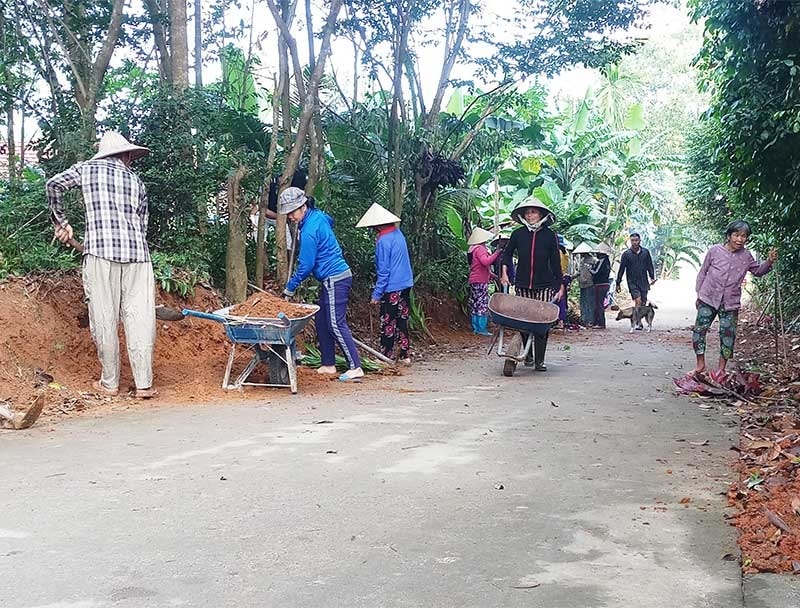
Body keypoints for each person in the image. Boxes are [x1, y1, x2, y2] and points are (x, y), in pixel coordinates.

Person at [46, 131, 158, 398]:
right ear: (127, 155)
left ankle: (110, 383)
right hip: (139, 257)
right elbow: (142, 224)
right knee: (140, 318)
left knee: (104, 317)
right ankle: (144, 384)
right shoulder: (136, 180)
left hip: (100, 254)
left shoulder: (87, 169)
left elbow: (54, 185)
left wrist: (61, 223)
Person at [280, 187, 364, 381]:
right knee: (322, 321)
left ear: (303, 207)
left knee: (335, 323)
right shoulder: (318, 216)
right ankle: (328, 364)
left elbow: (306, 265)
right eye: (289, 213)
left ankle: (355, 366)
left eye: (293, 212)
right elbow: (330, 221)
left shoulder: (309, 230)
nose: (291, 217)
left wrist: (290, 287)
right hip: (329, 279)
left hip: (336, 277)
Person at [691, 220, 778, 375]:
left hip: (730, 302)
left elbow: (758, 271)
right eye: (736, 235)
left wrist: (769, 261)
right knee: (699, 331)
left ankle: (721, 370)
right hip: (708, 297)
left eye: (743, 236)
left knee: (728, 335)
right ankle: (700, 364)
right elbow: (703, 272)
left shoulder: (746, 256)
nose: (740, 239)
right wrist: (699, 294)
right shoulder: (715, 251)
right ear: (729, 235)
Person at [500, 199, 564, 371]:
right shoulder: (518, 234)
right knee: (524, 321)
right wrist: (504, 273)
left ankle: (539, 361)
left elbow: (556, 262)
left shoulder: (550, 236)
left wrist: (561, 285)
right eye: (527, 213)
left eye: (534, 212)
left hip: (544, 285)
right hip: (522, 285)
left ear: (541, 215)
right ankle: (528, 355)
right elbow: (507, 255)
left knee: (542, 323)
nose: (530, 215)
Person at [356, 203, 414, 364]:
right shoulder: (398, 234)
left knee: (388, 321)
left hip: (392, 287)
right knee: (402, 319)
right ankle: (405, 355)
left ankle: (386, 356)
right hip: (406, 283)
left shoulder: (383, 241)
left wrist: (376, 294)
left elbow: (384, 271)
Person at [467, 227, 502, 336]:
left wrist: (491, 275)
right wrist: (496, 253)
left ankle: (476, 327)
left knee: (476, 303)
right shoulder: (481, 248)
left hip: (474, 279)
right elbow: (485, 262)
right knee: (482, 303)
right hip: (481, 280)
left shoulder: (472, 249)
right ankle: (482, 328)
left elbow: (478, 266)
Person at [616, 232, 657, 322]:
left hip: (644, 281)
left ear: (640, 241)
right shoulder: (626, 254)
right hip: (632, 281)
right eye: (632, 240)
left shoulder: (645, 252)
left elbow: (649, 265)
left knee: (643, 302)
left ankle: (639, 319)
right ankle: (638, 322)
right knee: (637, 301)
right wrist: (617, 283)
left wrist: (652, 277)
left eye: (636, 240)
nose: (634, 242)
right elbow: (621, 269)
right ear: (630, 241)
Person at [590, 243, 613, 328]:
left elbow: (595, 272)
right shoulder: (607, 261)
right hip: (605, 284)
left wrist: (589, 269)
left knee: (599, 304)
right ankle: (598, 322)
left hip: (600, 284)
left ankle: (600, 323)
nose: (596, 254)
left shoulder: (602, 261)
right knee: (599, 303)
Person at [575, 244, 597, 326]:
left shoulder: (593, 260)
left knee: (589, 303)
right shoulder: (582, 260)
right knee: (583, 302)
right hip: (582, 284)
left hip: (590, 284)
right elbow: (580, 272)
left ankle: (590, 320)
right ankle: (584, 319)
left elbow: (595, 272)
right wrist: (572, 276)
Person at [557, 235, 572, 329]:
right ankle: (562, 320)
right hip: (564, 277)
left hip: (557, 278)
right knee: (562, 299)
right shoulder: (565, 253)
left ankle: (559, 320)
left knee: (558, 299)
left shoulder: (557, 253)